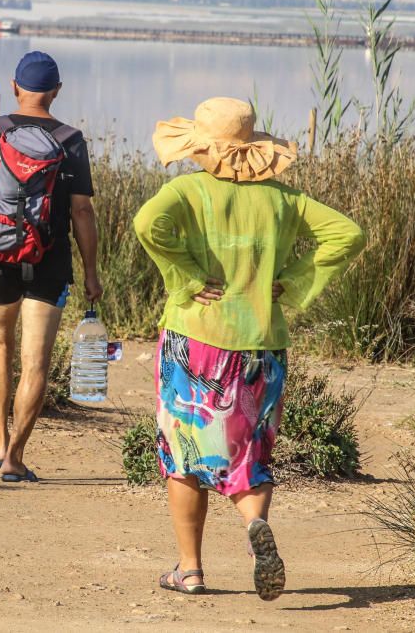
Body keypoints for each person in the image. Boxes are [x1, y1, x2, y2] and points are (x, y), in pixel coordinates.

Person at [134, 97, 364, 600]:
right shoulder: (284, 200)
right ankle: (253, 522)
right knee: (249, 456)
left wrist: (187, 277)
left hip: (193, 340)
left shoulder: (187, 190)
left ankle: (190, 570)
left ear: (201, 147)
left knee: (183, 454)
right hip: (262, 346)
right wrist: (295, 280)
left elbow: (147, 224)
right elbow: (348, 234)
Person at [0, 51, 103, 483]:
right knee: (35, 362)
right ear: (57, 92)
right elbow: (82, 212)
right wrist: (91, 273)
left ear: (14, 87)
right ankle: (14, 457)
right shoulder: (71, 139)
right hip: (49, 260)